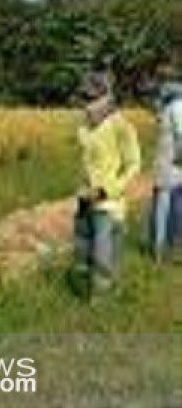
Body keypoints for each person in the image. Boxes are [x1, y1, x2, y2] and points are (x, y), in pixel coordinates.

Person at [71, 72, 141, 296]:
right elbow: (87, 164)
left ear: (105, 98)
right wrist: (82, 190)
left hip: (109, 204)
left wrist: (107, 191)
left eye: (91, 99)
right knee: (84, 252)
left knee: (104, 256)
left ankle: (102, 301)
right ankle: (87, 293)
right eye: (84, 99)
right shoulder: (84, 128)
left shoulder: (120, 126)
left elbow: (133, 164)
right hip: (85, 200)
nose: (87, 105)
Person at [151, 82, 182, 262]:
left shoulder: (171, 107)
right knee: (168, 205)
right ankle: (164, 248)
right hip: (172, 164)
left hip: (168, 164)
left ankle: (161, 248)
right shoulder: (176, 107)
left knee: (163, 205)